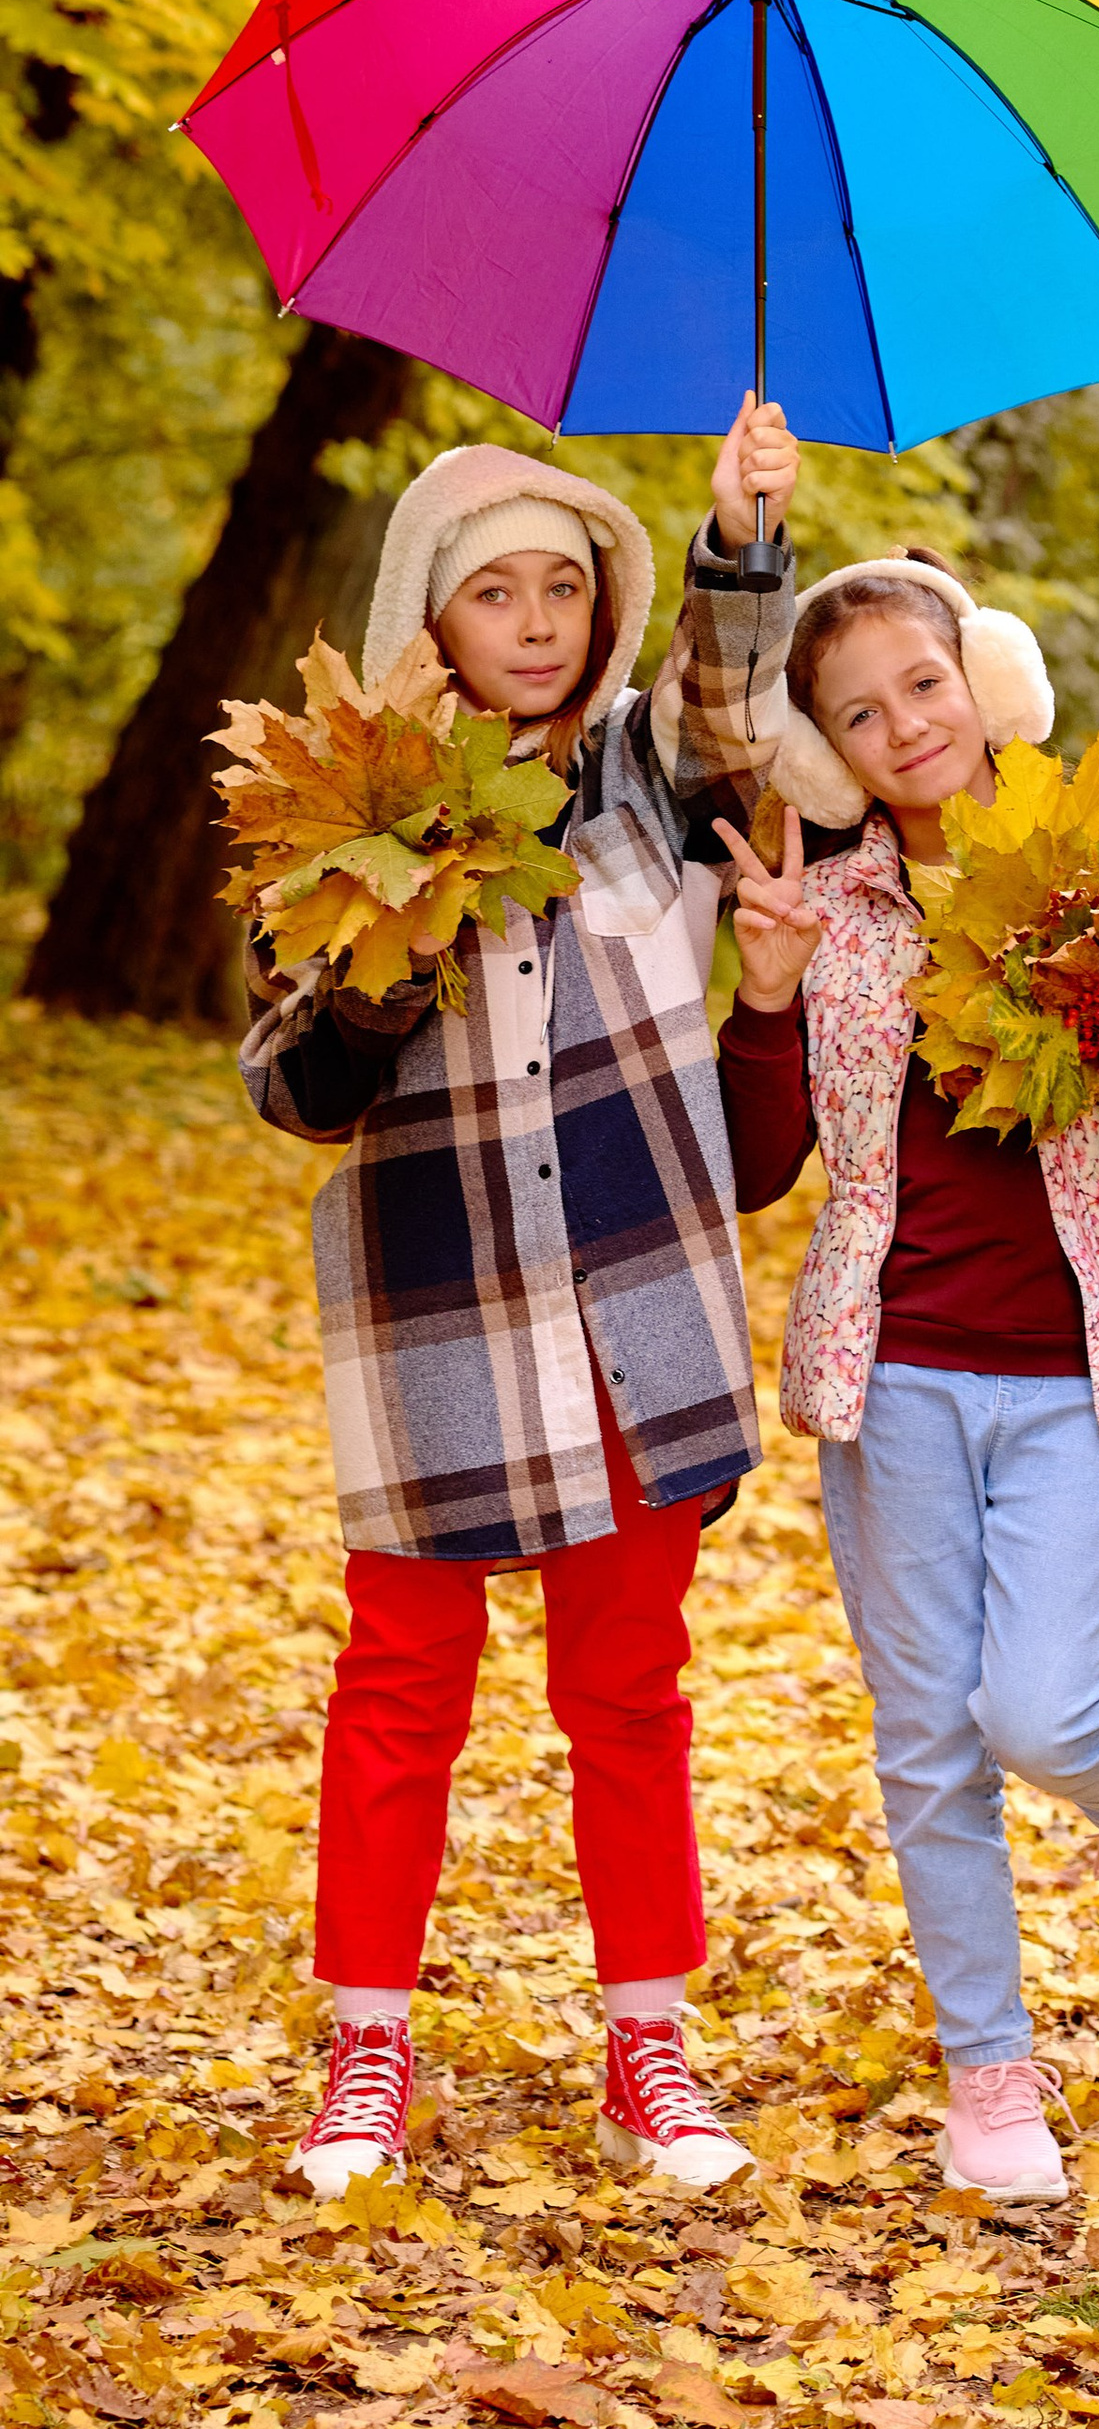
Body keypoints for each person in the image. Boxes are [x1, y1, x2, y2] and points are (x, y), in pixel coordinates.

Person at [242, 396, 801, 2200]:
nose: (541, 620)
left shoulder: (642, 777)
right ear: (435, 620)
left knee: (629, 1689)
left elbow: (729, 708)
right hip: (444, 1324)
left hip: (636, 1313)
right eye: (500, 593)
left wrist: (736, 539)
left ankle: (650, 2047)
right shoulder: (345, 815)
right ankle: (367, 2051)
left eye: (569, 584)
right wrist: (386, 957)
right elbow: (289, 1085)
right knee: (404, 1685)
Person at [698, 529, 1099, 2207]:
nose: (904, 728)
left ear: (985, 680)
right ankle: (990, 2072)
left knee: (1037, 1708)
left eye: (923, 684)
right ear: (830, 751)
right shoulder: (832, 911)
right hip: (897, 1376)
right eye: (858, 715)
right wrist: (765, 996)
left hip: (1086, 1369)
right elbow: (755, 1163)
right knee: (931, 1736)